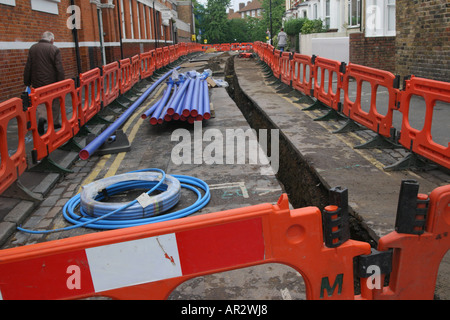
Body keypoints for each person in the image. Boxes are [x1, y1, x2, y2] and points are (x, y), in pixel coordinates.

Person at [24, 31, 65, 134]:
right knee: (55, 100)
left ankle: (42, 117)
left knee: (40, 101)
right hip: (52, 82)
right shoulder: (54, 49)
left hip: (37, 81)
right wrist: (61, 82)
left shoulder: (33, 48)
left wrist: (27, 81)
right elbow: (59, 68)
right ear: (51, 40)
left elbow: (28, 66)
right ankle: (55, 122)